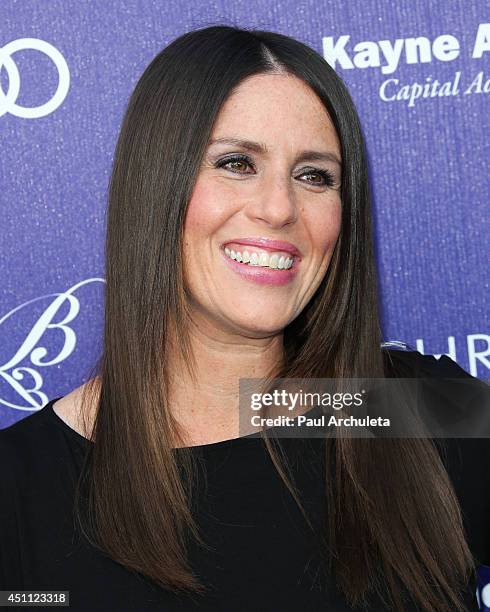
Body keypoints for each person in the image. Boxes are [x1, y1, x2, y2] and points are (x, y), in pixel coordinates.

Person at [0, 24, 489, 612]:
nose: (279, 208)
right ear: (155, 186)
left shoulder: (405, 407)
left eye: (315, 176)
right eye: (235, 163)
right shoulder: (19, 491)